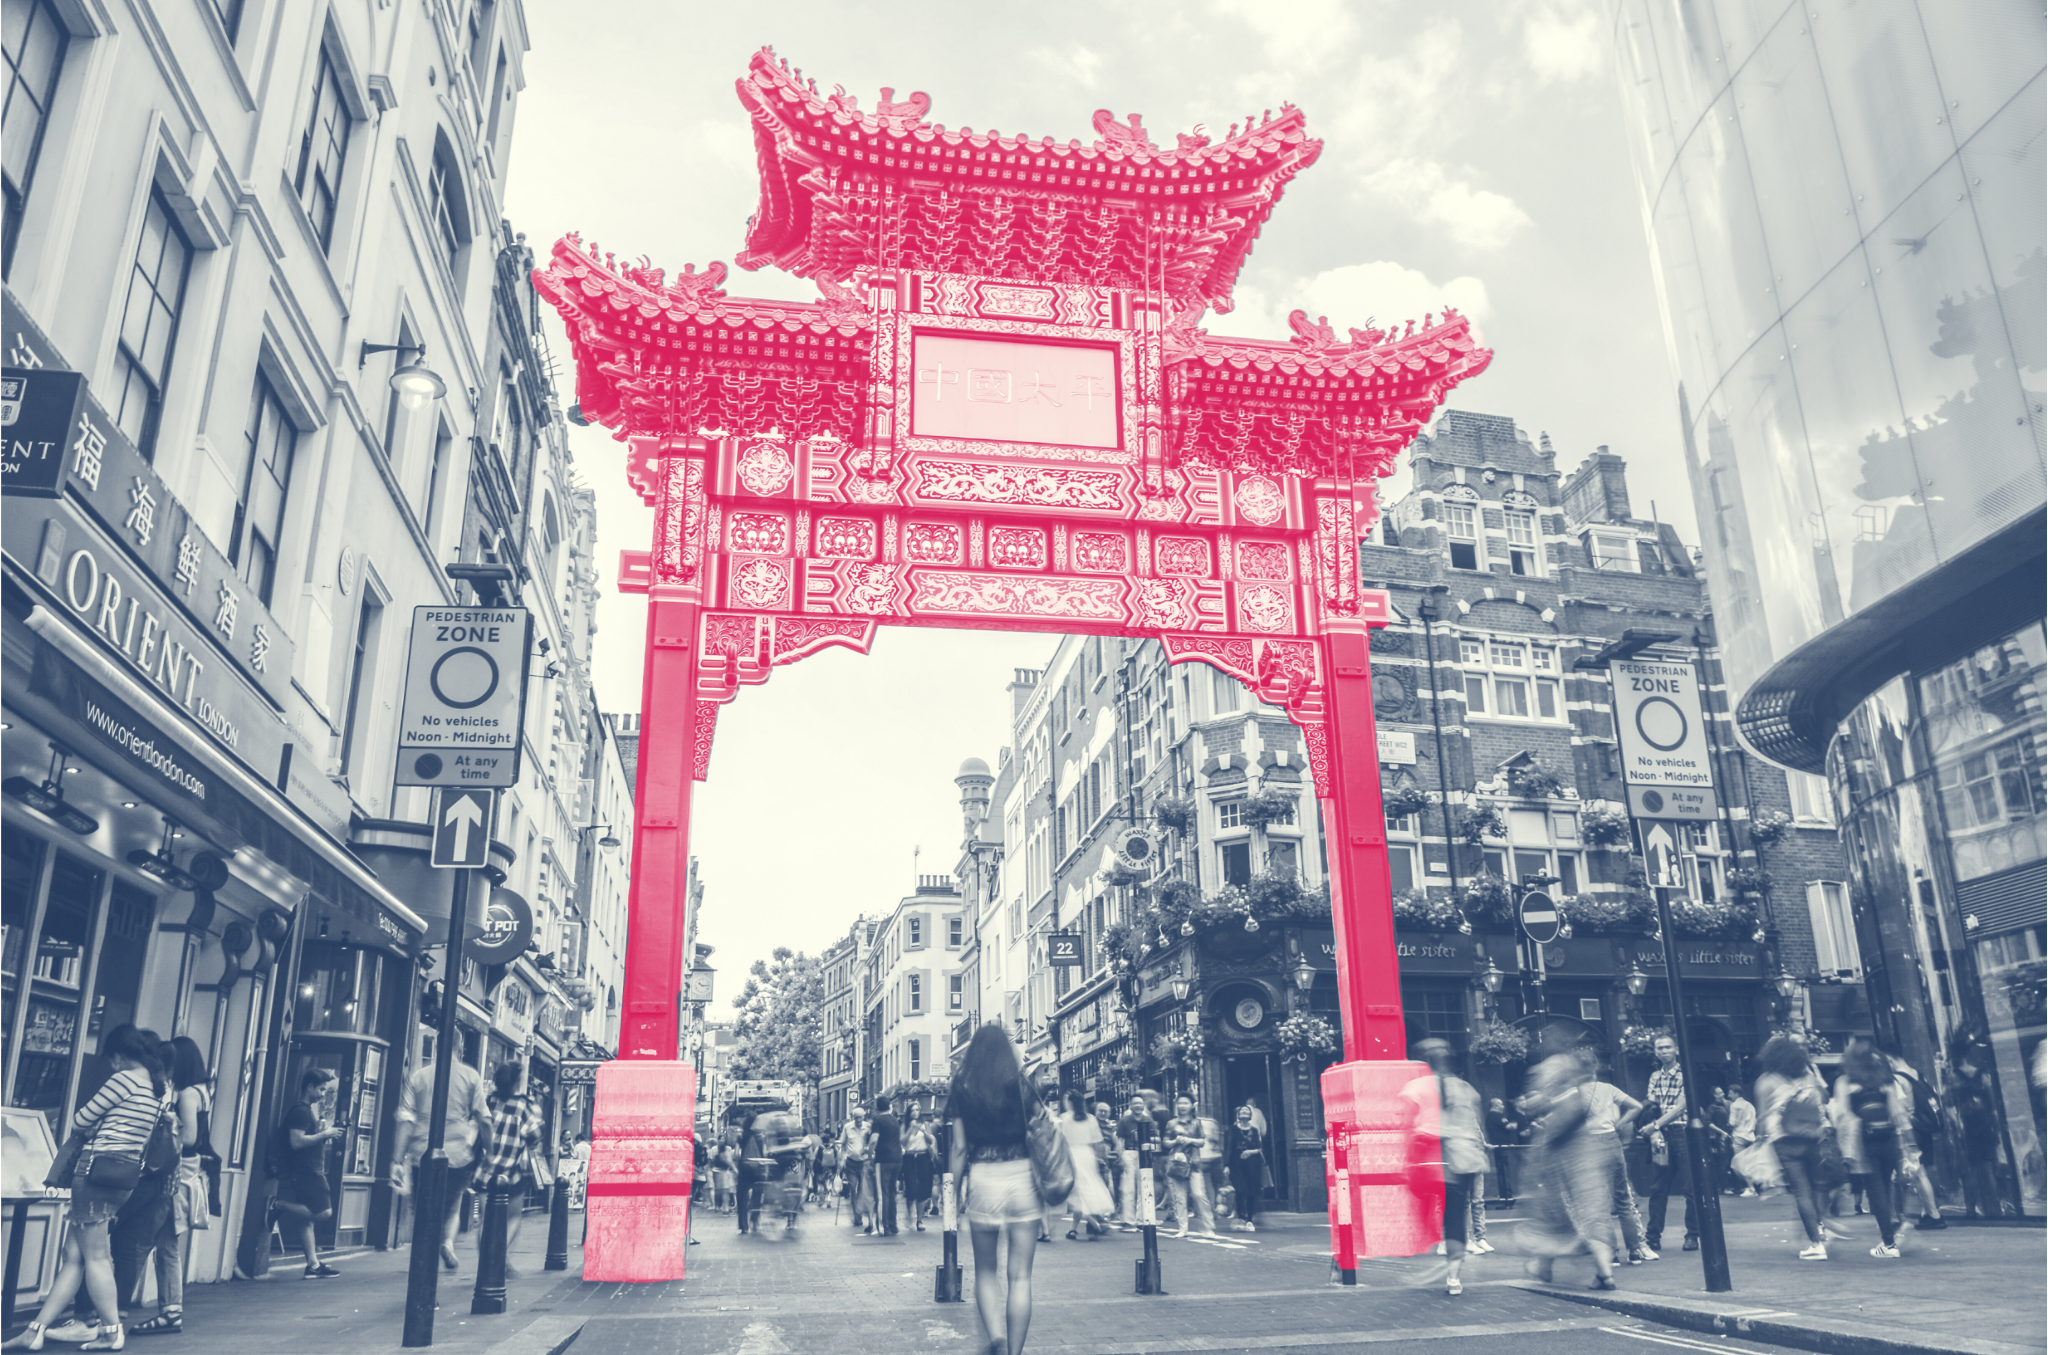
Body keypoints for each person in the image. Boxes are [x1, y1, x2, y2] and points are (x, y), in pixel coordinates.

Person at [5, 1026, 171, 1352]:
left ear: (119, 1056)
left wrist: (99, 1123)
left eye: (111, 1059)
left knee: (96, 1257)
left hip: (95, 1172)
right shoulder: (155, 1086)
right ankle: (35, 1330)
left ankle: (111, 1331)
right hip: (123, 1176)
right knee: (74, 1256)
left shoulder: (124, 1079)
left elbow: (80, 1120)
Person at [945, 1026, 1043, 1355]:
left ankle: (997, 1339)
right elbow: (1040, 1128)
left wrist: (951, 1194)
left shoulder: (962, 1086)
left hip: (984, 1178)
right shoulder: (1021, 1083)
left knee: (986, 1271)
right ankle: (1014, 1352)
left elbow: (959, 1148)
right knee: (1021, 1277)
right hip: (1023, 1176)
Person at [127, 1037, 212, 1335]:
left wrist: (165, 1120)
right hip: (186, 1173)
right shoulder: (202, 1091)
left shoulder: (187, 1093)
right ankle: (169, 1311)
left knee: (147, 1239)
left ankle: (116, 1305)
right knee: (165, 1242)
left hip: (174, 1174)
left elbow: (188, 1138)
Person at [1515, 1051, 1618, 1291]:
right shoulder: (1579, 1092)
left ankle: (1542, 1267)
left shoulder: (1558, 1095)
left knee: (1550, 1215)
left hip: (1561, 1163)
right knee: (1593, 1214)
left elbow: (1548, 1123)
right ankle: (1605, 1272)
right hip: (1588, 1156)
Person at [393, 1048, 494, 1272]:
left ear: (436, 1049)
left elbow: (407, 1120)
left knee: (423, 1209)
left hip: (422, 1155)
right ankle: (447, 1243)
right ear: (460, 1049)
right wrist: (490, 1153)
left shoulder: (419, 1076)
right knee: (452, 1207)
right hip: (457, 1155)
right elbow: (485, 1120)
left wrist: (397, 1159)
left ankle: (422, 1262)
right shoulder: (470, 1076)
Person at [1405, 1039, 1488, 1296]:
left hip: (1430, 1158)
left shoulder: (1416, 1087)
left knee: (1422, 1199)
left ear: (1426, 1063)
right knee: (1455, 1217)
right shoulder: (1465, 1089)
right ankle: (1453, 1278)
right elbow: (1476, 1125)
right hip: (1460, 1161)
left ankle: (1430, 1234)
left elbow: (1408, 1123)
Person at [1833, 1036, 1917, 1258]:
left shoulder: (1845, 1082)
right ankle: (1897, 1226)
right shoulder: (1885, 1079)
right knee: (1888, 1186)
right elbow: (1899, 1113)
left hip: (1864, 1141)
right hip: (1889, 1139)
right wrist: (1910, 1144)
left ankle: (1888, 1243)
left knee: (1875, 1190)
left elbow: (1841, 1116)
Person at [1754, 1033, 1830, 1259]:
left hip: (1784, 1141)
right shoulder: (1807, 1077)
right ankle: (1820, 1224)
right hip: (1812, 1137)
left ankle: (1816, 1243)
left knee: (1801, 1191)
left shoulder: (1765, 1081)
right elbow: (1824, 1099)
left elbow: (1761, 1117)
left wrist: (1759, 1140)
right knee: (1818, 1186)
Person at [1575, 1047, 1652, 1263]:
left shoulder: (1574, 1093)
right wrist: (1619, 1124)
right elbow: (1636, 1106)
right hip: (1612, 1141)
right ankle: (1635, 1251)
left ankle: (1612, 1253)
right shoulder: (1608, 1089)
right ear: (1595, 1067)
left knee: (1600, 1204)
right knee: (1623, 1200)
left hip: (1589, 1145)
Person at [272, 1067, 345, 1280]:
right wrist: (324, 1134)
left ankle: (312, 1265)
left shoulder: (306, 1111)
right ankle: (276, 1204)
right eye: (321, 1089)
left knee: (307, 1221)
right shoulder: (301, 1111)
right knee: (323, 1212)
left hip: (307, 1169)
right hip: (308, 1171)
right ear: (310, 1087)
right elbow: (296, 1142)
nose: (323, 1094)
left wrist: (321, 1133)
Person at [1641, 1034, 1696, 1254]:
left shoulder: (1685, 1074)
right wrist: (1654, 1129)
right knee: (1658, 1186)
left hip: (1682, 1133)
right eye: (1659, 1048)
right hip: (1661, 1135)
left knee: (1690, 1186)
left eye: (1667, 1047)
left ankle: (1692, 1235)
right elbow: (1652, 1105)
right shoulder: (1655, 1076)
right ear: (1655, 1052)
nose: (1664, 1051)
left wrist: (1654, 1125)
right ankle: (1653, 1237)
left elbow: (1681, 1107)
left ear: (1676, 1049)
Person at [1055, 1092, 1112, 1240]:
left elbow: (1059, 1141)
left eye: (1065, 1100)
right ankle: (1073, 1229)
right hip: (1088, 1155)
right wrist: (1100, 1158)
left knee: (1077, 1194)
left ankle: (1093, 1222)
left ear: (1070, 1102)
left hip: (1071, 1155)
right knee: (1087, 1191)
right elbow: (1098, 1141)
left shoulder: (1064, 1118)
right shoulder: (1091, 1119)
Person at [1162, 1095, 1217, 1238]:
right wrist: (1175, 1141)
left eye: (1185, 1103)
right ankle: (1183, 1229)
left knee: (1199, 1194)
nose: (1182, 1106)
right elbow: (1165, 1142)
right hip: (1177, 1164)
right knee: (1180, 1197)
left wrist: (1190, 1140)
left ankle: (1208, 1227)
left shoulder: (1197, 1123)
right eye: (1180, 1103)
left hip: (1194, 1163)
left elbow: (1202, 1142)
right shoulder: (1171, 1123)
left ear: (1192, 1105)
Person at [1224, 1105, 1265, 1231]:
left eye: (1247, 1111)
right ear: (1239, 1115)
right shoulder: (1232, 1130)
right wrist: (1226, 1165)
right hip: (1236, 1165)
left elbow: (1259, 1149)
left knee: (1251, 1192)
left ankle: (1249, 1220)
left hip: (1252, 1165)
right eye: (1242, 1110)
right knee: (1240, 1190)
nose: (1244, 1112)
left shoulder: (1255, 1130)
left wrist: (1249, 1152)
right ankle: (1242, 1216)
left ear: (1250, 1115)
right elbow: (1229, 1148)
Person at [1484, 1098, 1524, 1204]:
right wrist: (1515, 1124)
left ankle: (1506, 1196)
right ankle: (1510, 1196)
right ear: (1496, 1105)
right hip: (1506, 1149)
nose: (1503, 1106)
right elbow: (1509, 1126)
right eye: (1501, 1104)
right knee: (1510, 1173)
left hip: (1501, 1149)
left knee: (1505, 1173)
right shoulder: (1496, 1115)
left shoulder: (1489, 1117)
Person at [903, 1114, 935, 1231]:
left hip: (923, 1157)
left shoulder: (925, 1124)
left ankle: (919, 1220)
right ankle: (909, 1214)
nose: (915, 1112)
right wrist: (910, 1129)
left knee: (922, 1189)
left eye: (917, 1109)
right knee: (911, 1188)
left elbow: (931, 1140)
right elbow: (903, 1142)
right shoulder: (905, 1126)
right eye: (913, 1110)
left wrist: (924, 1131)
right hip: (909, 1158)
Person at [1725, 1087, 1758, 1197]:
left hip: (1739, 1136)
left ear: (1736, 1093)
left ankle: (1751, 1188)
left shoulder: (1734, 1105)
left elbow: (1732, 1123)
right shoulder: (1750, 1105)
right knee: (1751, 1163)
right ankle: (1758, 1186)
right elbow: (1755, 1121)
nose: (1729, 1096)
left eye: (1730, 1093)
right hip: (1751, 1136)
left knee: (1740, 1164)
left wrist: (1728, 1125)